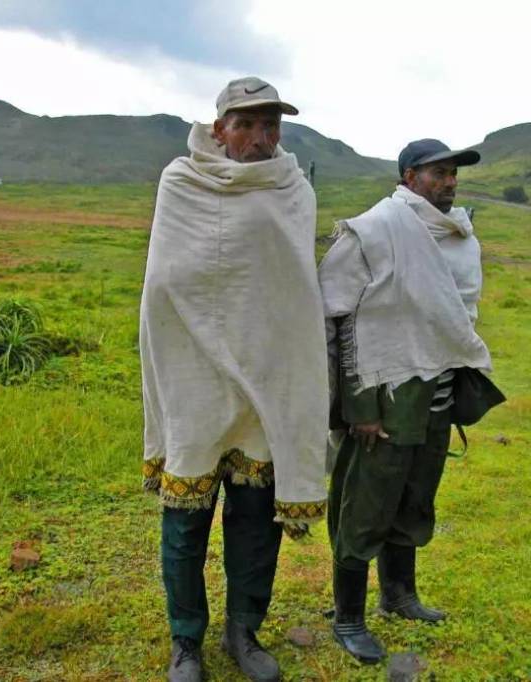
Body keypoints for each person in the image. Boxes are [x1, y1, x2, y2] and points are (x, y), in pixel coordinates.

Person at [140, 77, 330, 681]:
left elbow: (294, 291)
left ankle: (244, 631)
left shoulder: (293, 190)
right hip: (196, 378)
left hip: (265, 383)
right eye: (245, 124)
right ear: (219, 127)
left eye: (270, 124)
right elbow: (166, 286)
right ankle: (185, 641)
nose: (259, 136)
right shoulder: (182, 181)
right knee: (186, 524)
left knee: (255, 527)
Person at [318, 139, 499, 664]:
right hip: (386, 393)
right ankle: (348, 616)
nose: (449, 182)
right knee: (367, 503)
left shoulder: (459, 236)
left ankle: (399, 594)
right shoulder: (375, 230)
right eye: (438, 173)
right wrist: (361, 407)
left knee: (415, 495)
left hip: (438, 393)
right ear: (408, 175)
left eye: (452, 175)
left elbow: (458, 316)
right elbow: (340, 317)